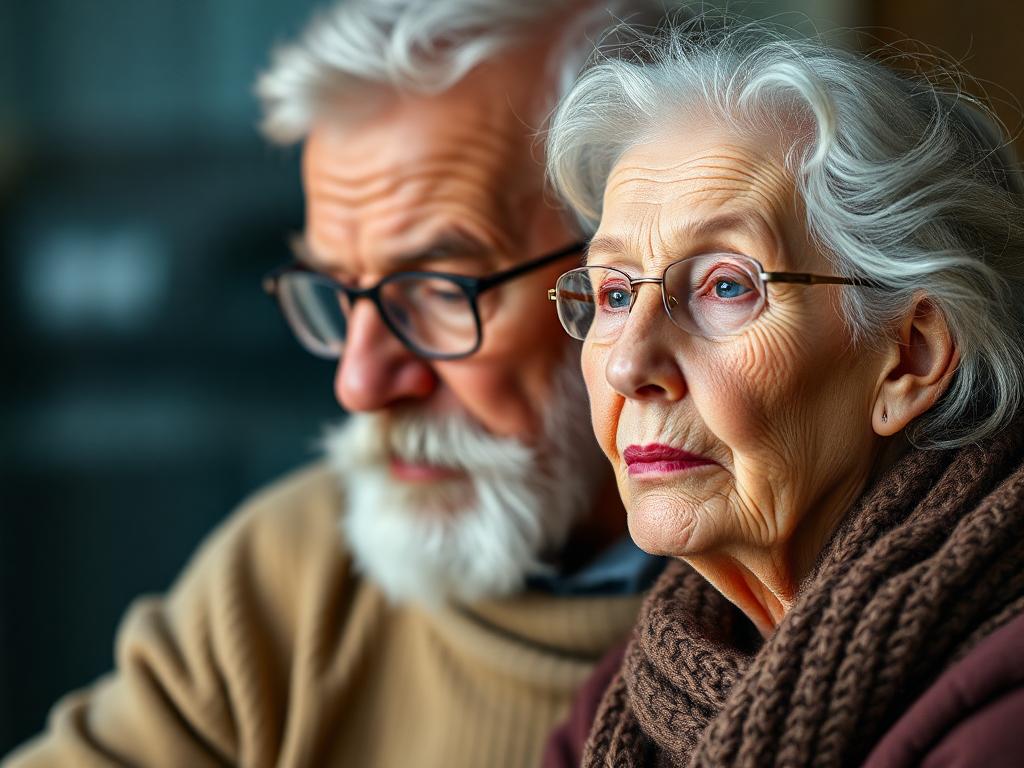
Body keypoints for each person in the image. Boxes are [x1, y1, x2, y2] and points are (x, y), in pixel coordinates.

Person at [3, 3, 672, 767]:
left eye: (440, 290)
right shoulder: (291, 574)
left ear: (627, 282)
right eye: (337, 290)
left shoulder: (812, 622)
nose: (360, 382)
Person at [544, 16, 1024, 767]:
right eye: (611, 295)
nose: (626, 365)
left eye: (726, 286)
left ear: (910, 357)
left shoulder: (999, 715)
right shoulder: (628, 700)